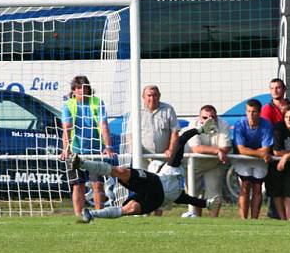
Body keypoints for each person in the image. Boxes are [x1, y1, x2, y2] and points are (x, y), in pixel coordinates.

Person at [76, 119, 221, 222]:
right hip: (152, 183)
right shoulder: (171, 168)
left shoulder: (177, 191)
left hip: (155, 200)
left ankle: (91, 214)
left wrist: (207, 204)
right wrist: (199, 130)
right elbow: (181, 139)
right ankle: (82, 163)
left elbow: (190, 200)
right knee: (121, 172)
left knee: (129, 209)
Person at [59, 75, 115, 218]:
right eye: (78, 88)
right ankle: (79, 215)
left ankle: (99, 213)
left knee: (97, 183)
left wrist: (108, 146)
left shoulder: (97, 103)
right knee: (78, 185)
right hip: (76, 151)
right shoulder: (68, 105)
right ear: (73, 90)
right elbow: (67, 128)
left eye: (85, 88)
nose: (82, 91)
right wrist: (66, 149)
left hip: (95, 150)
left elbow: (103, 125)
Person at [260, 78, 290, 219]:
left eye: (278, 87)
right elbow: (268, 133)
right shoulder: (267, 109)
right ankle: (278, 217)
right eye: (272, 88)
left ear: (284, 89)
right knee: (276, 189)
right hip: (275, 155)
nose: (275, 91)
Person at [182, 105, 230, 217]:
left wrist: (218, 151)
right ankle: (197, 219)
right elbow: (196, 149)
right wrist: (218, 150)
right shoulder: (193, 125)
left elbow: (226, 148)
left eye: (212, 117)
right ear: (199, 118)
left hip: (213, 164)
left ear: (216, 117)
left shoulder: (223, 124)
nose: (208, 120)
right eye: (204, 118)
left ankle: (213, 221)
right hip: (194, 164)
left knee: (215, 195)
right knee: (194, 195)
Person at [140, 84, 179, 216]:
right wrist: (135, 151)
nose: (152, 98)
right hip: (143, 158)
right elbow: (130, 134)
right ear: (143, 97)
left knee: (160, 187)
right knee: (143, 186)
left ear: (159, 96)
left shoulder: (168, 109)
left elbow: (175, 132)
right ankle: (144, 214)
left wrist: (170, 149)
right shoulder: (136, 110)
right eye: (149, 95)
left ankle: (158, 217)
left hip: (162, 157)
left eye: (155, 95)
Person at [232, 99, 274, 219]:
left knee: (257, 188)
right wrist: (261, 154)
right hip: (246, 159)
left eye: (254, 111)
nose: (251, 114)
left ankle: (254, 219)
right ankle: (244, 220)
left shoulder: (266, 125)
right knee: (245, 186)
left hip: (259, 160)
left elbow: (266, 149)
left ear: (259, 112)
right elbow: (241, 150)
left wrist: (255, 152)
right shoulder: (239, 124)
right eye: (248, 111)